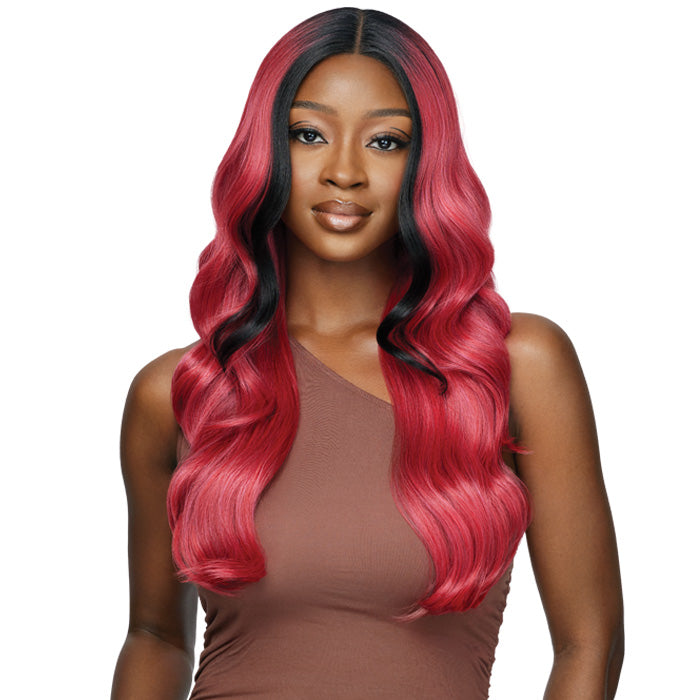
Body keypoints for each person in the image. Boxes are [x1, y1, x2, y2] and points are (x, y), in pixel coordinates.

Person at [111, 8, 624, 699]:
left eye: (385, 142)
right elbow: (155, 636)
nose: (344, 172)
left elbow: (589, 642)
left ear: (424, 164)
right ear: (266, 151)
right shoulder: (181, 390)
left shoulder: (516, 365)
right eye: (309, 134)